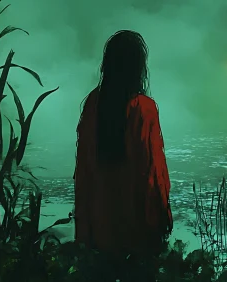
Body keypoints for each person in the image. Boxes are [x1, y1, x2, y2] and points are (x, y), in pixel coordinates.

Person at [73, 30, 173, 264]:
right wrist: (161, 219)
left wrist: (83, 230)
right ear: (138, 67)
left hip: (99, 225)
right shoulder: (143, 109)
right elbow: (152, 172)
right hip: (135, 228)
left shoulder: (93, 104)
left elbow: (83, 170)